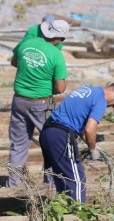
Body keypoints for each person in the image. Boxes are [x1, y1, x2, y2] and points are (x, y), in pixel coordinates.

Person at [8, 19, 70, 188]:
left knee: (18, 145)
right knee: (50, 143)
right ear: (59, 39)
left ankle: (14, 185)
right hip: (41, 104)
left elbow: (14, 62)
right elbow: (60, 87)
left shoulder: (26, 44)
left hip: (19, 100)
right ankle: (49, 185)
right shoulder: (56, 54)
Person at [40, 83, 114, 202]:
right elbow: (90, 129)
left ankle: (65, 210)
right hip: (61, 134)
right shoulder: (100, 100)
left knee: (62, 177)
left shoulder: (88, 89)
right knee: (77, 179)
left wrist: (92, 144)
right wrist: (92, 150)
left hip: (48, 132)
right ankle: (77, 215)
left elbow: (80, 125)